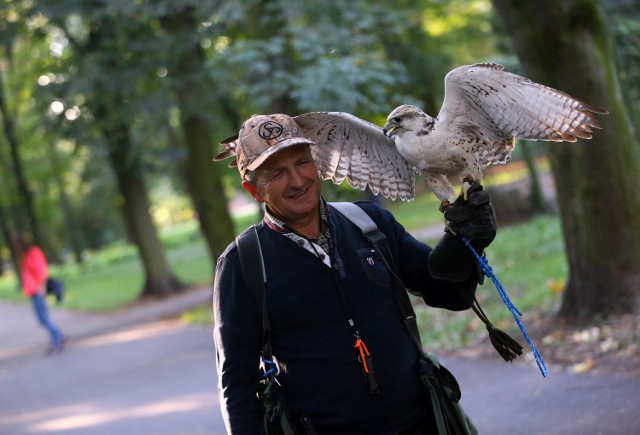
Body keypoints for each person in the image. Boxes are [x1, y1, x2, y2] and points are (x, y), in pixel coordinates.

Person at [213, 114, 497, 434]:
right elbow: (237, 385)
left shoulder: (369, 224)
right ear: (254, 190)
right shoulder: (244, 263)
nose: (297, 180)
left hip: (421, 424)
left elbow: (449, 293)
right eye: (277, 173)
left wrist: (463, 240)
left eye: (302, 162)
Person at [13, 234, 67, 356]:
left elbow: (41, 270)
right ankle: (60, 335)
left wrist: (41, 287)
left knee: (44, 318)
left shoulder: (33, 252)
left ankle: (57, 341)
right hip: (32, 291)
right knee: (42, 319)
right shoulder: (25, 255)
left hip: (38, 290)